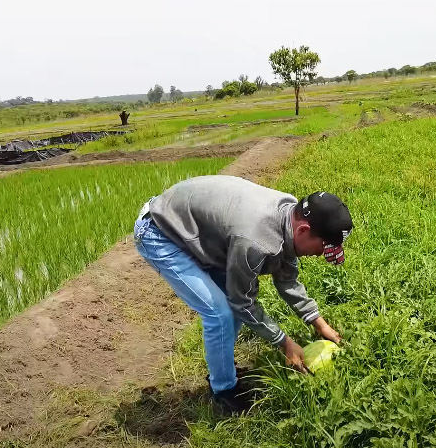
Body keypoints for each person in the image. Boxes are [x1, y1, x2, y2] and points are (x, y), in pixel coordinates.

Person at [133, 175, 352, 413]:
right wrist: (285, 343)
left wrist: (319, 323)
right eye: (322, 247)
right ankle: (224, 392)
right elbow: (242, 302)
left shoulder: (289, 214)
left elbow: (287, 278)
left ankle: (223, 370)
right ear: (304, 230)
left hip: (198, 230)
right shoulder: (256, 239)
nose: (321, 254)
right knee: (220, 314)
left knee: (232, 310)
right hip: (160, 231)